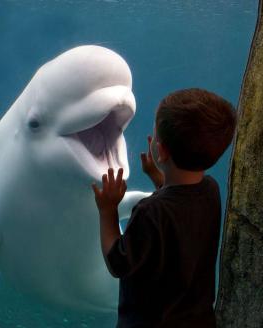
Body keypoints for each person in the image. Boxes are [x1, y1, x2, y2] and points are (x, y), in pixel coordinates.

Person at [91, 88, 237, 328]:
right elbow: (179, 208)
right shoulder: (211, 190)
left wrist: (108, 210)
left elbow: (118, 262)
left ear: (161, 150)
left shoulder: (149, 212)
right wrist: (159, 178)